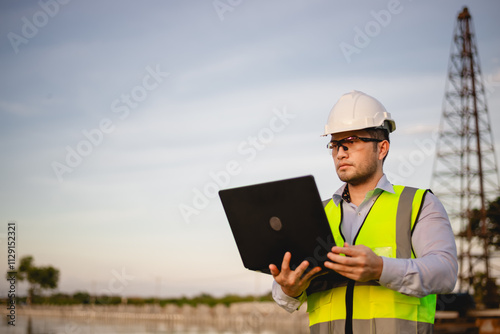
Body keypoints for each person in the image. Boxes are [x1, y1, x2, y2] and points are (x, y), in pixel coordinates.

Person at [269, 90, 458, 334]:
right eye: (335, 144)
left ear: (382, 148)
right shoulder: (316, 213)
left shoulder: (418, 203)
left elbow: (444, 272)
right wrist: (288, 288)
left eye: (351, 141)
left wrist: (381, 269)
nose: (340, 152)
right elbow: (283, 290)